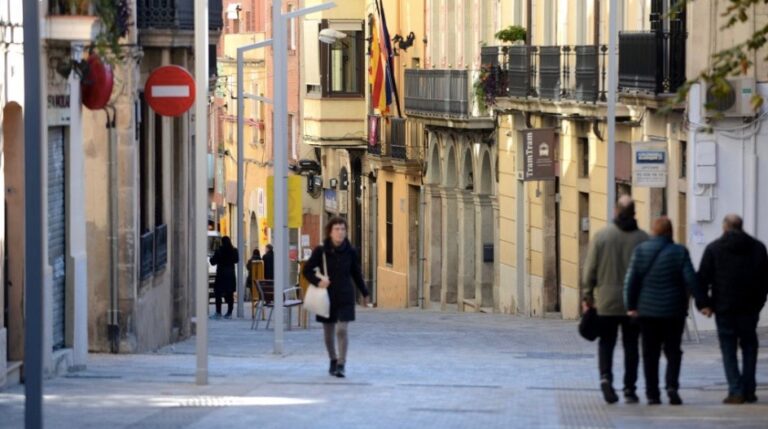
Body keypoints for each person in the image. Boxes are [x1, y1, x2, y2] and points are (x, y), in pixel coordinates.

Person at [624, 217, 707, 405]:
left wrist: (631, 306)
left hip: (647, 313)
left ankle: (652, 394)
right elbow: (691, 279)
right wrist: (703, 303)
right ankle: (671, 387)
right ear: (671, 232)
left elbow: (632, 282)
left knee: (650, 353)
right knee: (673, 351)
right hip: (673, 312)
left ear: (653, 232)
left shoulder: (641, 251)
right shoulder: (679, 252)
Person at [582, 195, 648, 404]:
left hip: (606, 301)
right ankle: (630, 388)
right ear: (635, 213)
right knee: (631, 345)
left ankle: (605, 378)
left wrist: (587, 295)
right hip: (633, 303)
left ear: (615, 211)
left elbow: (590, 269)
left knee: (606, 342)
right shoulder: (643, 239)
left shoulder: (602, 236)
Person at [697, 214, 768, 404]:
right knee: (749, 347)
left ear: (725, 228)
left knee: (728, 349)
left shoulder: (714, 249)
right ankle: (749, 390)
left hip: (724, 308)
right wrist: (759, 303)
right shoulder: (758, 248)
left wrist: (704, 304)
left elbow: (702, 278)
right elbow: (764, 281)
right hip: (749, 309)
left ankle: (736, 390)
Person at [302, 217, 369, 378]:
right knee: (328, 332)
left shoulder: (351, 251)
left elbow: (356, 273)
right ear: (330, 232)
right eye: (337, 229)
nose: (340, 232)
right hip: (326, 296)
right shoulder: (321, 251)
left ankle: (341, 363)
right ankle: (333, 359)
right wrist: (319, 281)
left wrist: (364, 292)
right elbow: (307, 270)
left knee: (342, 329)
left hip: (345, 295)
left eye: (343, 229)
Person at [209, 236, 239, 319]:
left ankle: (218, 312)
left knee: (218, 294)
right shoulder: (234, 250)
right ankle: (229, 312)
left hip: (221, 275)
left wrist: (215, 256)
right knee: (230, 295)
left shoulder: (219, 251)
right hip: (230, 275)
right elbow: (236, 260)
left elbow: (212, 262)